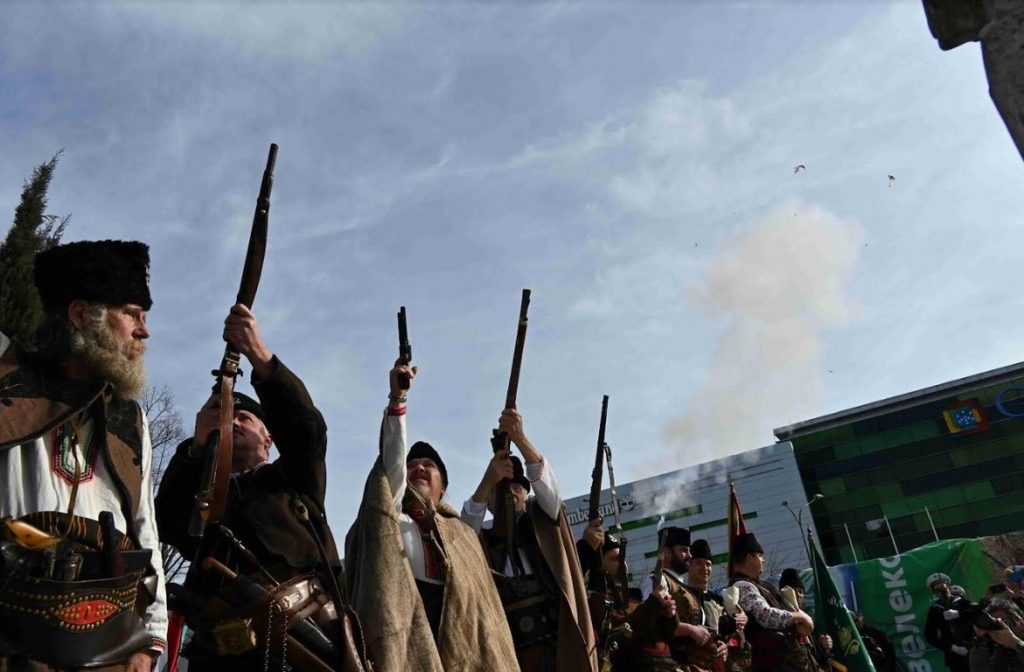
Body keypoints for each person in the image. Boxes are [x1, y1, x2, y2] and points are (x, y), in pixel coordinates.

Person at [156, 304, 359, 669]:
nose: (232, 422)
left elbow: (306, 429)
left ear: (268, 439)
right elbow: (167, 522)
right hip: (219, 652)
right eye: (223, 416)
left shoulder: (293, 478)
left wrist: (258, 355)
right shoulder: (201, 497)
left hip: (303, 643)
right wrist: (197, 448)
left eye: (244, 417)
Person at [0, 240, 167, 670]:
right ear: (80, 315)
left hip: (106, 638)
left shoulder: (131, 419)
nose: (143, 331)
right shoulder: (9, 381)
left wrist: (150, 638)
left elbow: (144, 526)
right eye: (131, 313)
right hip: (12, 630)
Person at [344, 359, 519, 672]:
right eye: (412, 465)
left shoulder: (462, 535)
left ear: (444, 488)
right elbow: (391, 466)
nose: (420, 468)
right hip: (406, 645)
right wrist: (398, 399)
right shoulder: (390, 521)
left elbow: (488, 625)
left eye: (430, 465)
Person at [462, 417, 597, 672]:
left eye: (517, 487)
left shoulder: (541, 522)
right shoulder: (481, 540)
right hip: (509, 654)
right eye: (501, 489)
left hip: (555, 649)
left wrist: (520, 439)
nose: (511, 493)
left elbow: (550, 493)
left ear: (525, 494)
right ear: (489, 503)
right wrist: (488, 482)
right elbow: (463, 532)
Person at [728, 533, 817, 672]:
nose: (763, 560)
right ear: (750, 557)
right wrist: (801, 617)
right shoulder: (742, 586)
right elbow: (766, 616)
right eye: (760, 556)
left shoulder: (763, 586)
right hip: (770, 662)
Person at [640, 528, 724, 670]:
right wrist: (691, 630)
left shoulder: (683, 586)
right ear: (667, 552)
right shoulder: (658, 580)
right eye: (684, 550)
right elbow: (656, 621)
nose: (689, 556)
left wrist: (718, 644)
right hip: (671, 664)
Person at [687, 539, 750, 672]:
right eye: (698, 563)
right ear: (689, 565)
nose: (705, 568)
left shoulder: (719, 599)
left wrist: (741, 620)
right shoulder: (683, 597)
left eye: (708, 564)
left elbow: (734, 637)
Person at [778, 568, 832, 670]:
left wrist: (823, 645)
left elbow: (817, 658)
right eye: (794, 591)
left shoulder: (808, 622)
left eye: (801, 592)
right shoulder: (779, 620)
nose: (799, 595)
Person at [926, 572, 971, 672]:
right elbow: (930, 635)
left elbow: (975, 615)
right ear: (934, 593)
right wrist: (950, 647)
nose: (942, 592)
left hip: (973, 648)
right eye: (938, 590)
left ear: (948, 587)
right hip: (955, 656)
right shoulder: (935, 610)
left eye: (944, 588)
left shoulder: (962, 602)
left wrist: (959, 614)